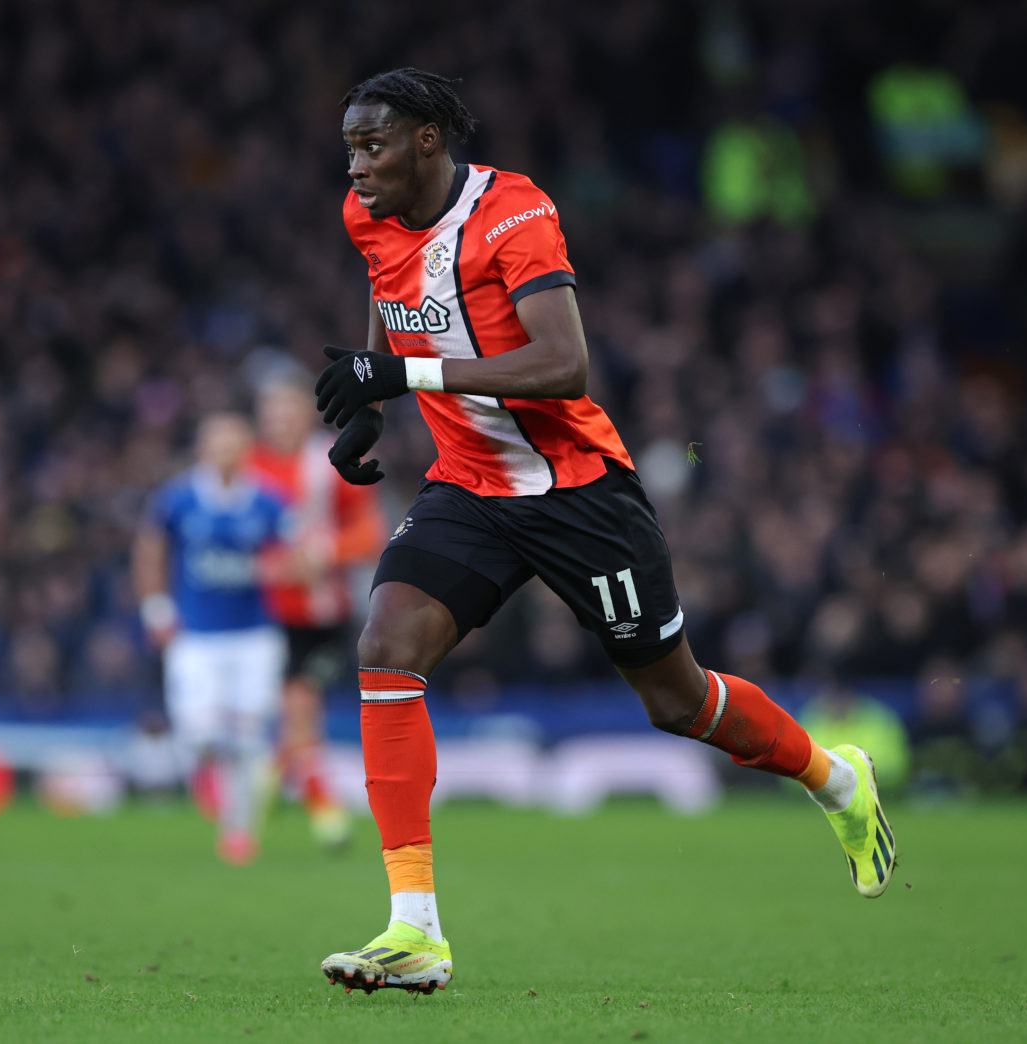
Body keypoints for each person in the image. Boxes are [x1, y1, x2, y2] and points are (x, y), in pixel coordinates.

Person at [312, 68, 897, 995]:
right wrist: (370, 407)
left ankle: (835, 779)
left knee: (675, 701)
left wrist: (404, 379)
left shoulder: (514, 214)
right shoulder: (366, 218)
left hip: (580, 491)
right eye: (349, 147)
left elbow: (563, 363)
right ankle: (413, 928)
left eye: (373, 145)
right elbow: (392, 311)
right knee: (385, 646)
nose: (357, 167)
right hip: (470, 485)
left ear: (428, 140)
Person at [133, 413, 290, 865]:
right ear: (203, 449)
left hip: (254, 636)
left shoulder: (267, 500)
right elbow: (150, 550)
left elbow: (300, 558)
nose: (225, 454)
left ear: (246, 449)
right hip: (196, 635)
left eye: (233, 445)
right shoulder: (179, 498)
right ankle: (205, 772)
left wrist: (273, 569)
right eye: (217, 445)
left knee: (246, 738)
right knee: (201, 734)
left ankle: (238, 833)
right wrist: (155, 606)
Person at [248, 374, 387, 849]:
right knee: (298, 714)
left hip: (326, 619)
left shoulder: (333, 460)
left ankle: (285, 797)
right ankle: (317, 808)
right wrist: (267, 567)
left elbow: (372, 533)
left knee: (299, 709)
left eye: (288, 412)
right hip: (267, 616)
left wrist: (324, 553)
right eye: (272, 414)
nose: (280, 422)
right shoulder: (249, 469)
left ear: (306, 415)